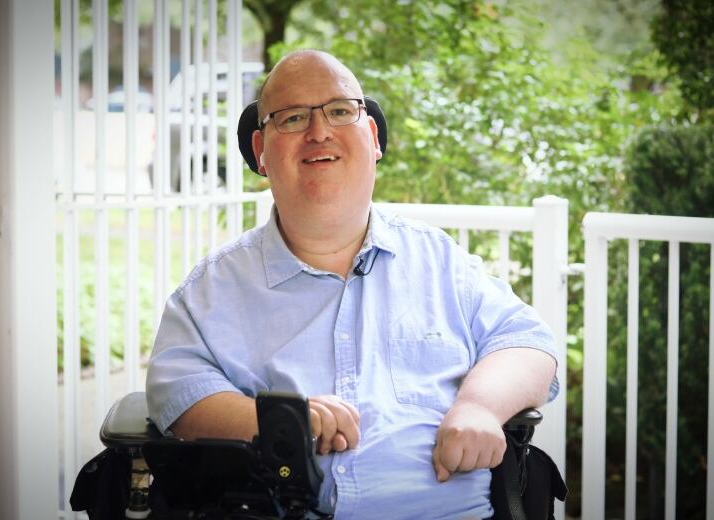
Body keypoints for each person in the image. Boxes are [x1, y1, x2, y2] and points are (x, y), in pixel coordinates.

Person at [146, 49, 558, 519]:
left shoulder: (440, 263)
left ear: (373, 137)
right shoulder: (212, 291)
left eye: (341, 110)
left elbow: (527, 342)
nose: (319, 131)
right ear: (261, 152)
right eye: (293, 117)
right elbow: (177, 390)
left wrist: (480, 408)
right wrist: (279, 423)